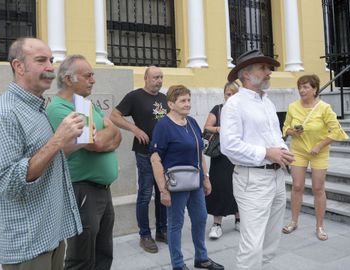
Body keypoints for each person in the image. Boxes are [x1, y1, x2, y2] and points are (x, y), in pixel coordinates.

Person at [0, 37, 84, 269]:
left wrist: (74, 141)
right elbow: (9, 182)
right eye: (40, 60)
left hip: (52, 234)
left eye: (51, 60)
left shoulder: (36, 108)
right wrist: (57, 140)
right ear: (18, 66)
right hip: (29, 243)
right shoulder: (3, 114)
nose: (50, 67)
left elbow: (44, 160)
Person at [220, 49, 295, 270]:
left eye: (268, 67)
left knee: (271, 243)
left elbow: (274, 137)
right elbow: (229, 146)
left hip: (276, 177)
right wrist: (266, 153)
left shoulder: (268, 103)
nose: (269, 72)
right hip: (252, 180)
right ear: (246, 74)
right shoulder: (234, 104)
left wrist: (282, 151)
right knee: (252, 245)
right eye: (263, 68)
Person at [46, 54, 121, 270]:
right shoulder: (59, 108)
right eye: (88, 75)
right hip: (83, 190)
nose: (93, 80)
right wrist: (105, 136)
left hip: (103, 191)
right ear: (69, 79)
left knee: (103, 252)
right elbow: (93, 142)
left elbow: (116, 135)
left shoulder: (86, 105)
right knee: (82, 257)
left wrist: (108, 133)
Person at [150, 85, 225, 270]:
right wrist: (162, 190)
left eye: (189, 100)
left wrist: (206, 178)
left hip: (196, 182)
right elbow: (155, 159)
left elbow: (200, 152)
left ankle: (201, 258)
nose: (187, 104)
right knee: (175, 224)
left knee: (200, 218)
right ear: (171, 104)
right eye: (183, 101)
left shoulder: (191, 122)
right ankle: (177, 264)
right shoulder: (163, 126)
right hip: (175, 185)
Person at [281, 74, 348, 241]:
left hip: (319, 152)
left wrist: (319, 145)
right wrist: (292, 132)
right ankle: (293, 221)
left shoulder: (324, 108)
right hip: (298, 150)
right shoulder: (292, 107)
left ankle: (319, 226)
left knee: (318, 188)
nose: (302, 90)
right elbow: (285, 128)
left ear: (315, 89)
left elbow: (337, 131)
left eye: (306, 87)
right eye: (300, 87)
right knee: (297, 186)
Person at [110, 66, 168, 253]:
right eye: (155, 77)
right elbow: (114, 115)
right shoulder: (134, 96)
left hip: (163, 154)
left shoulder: (164, 98)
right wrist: (135, 129)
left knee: (162, 192)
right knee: (145, 193)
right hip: (144, 153)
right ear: (145, 78)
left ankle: (162, 230)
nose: (158, 81)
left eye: (160, 77)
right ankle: (145, 235)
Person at [204, 81, 240, 240]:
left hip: (238, 155)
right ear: (224, 95)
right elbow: (206, 127)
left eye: (234, 94)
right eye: (228, 94)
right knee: (218, 186)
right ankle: (217, 224)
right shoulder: (218, 109)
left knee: (238, 187)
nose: (230, 97)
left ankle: (239, 219)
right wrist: (220, 128)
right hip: (220, 155)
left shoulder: (243, 111)